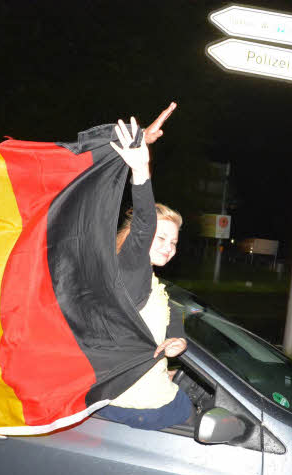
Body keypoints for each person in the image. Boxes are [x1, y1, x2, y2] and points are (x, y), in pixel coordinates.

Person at [95, 115, 193, 430]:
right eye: (161, 238)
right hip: (136, 409)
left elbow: (170, 311)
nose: (170, 246)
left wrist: (176, 341)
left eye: (174, 242)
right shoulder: (126, 272)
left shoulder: (149, 281)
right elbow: (143, 225)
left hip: (146, 397)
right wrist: (139, 168)